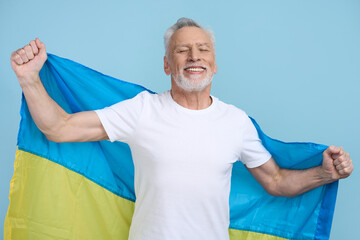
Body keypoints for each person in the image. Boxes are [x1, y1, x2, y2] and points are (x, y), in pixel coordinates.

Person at [10, 18, 353, 240]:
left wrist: (323, 174)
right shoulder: (141, 110)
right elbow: (60, 127)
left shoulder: (236, 122)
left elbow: (276, 181)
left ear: (214, 64)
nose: (194, 56)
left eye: (203, 49)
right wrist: (29, 79)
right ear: (166, 64)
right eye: (182, 50)